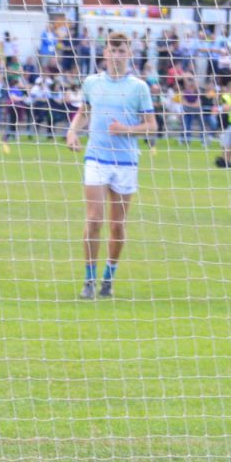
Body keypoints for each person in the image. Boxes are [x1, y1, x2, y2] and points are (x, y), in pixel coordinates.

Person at [66, 31, 156, 300]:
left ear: (129, 53)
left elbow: (152, 126)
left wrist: (127, 129)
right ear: (104, 53)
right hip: (96, 157)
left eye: (121, 51)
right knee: (94, 219)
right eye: (112, 51)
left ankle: (108, 277)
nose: (116, 55)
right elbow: (84, 113)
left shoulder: (139, 87)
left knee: (117, 225)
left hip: (126, 162)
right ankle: (89, 280)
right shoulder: (92, 82)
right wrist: (72, 132)